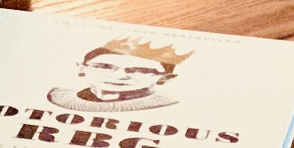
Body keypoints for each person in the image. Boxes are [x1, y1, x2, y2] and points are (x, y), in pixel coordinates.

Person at [47, 38, 189, 111]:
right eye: (104, 67)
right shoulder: (58, 98)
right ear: (82, 69)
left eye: (139, 70)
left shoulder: (168, 106)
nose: (119, 76)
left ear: (164, 78)